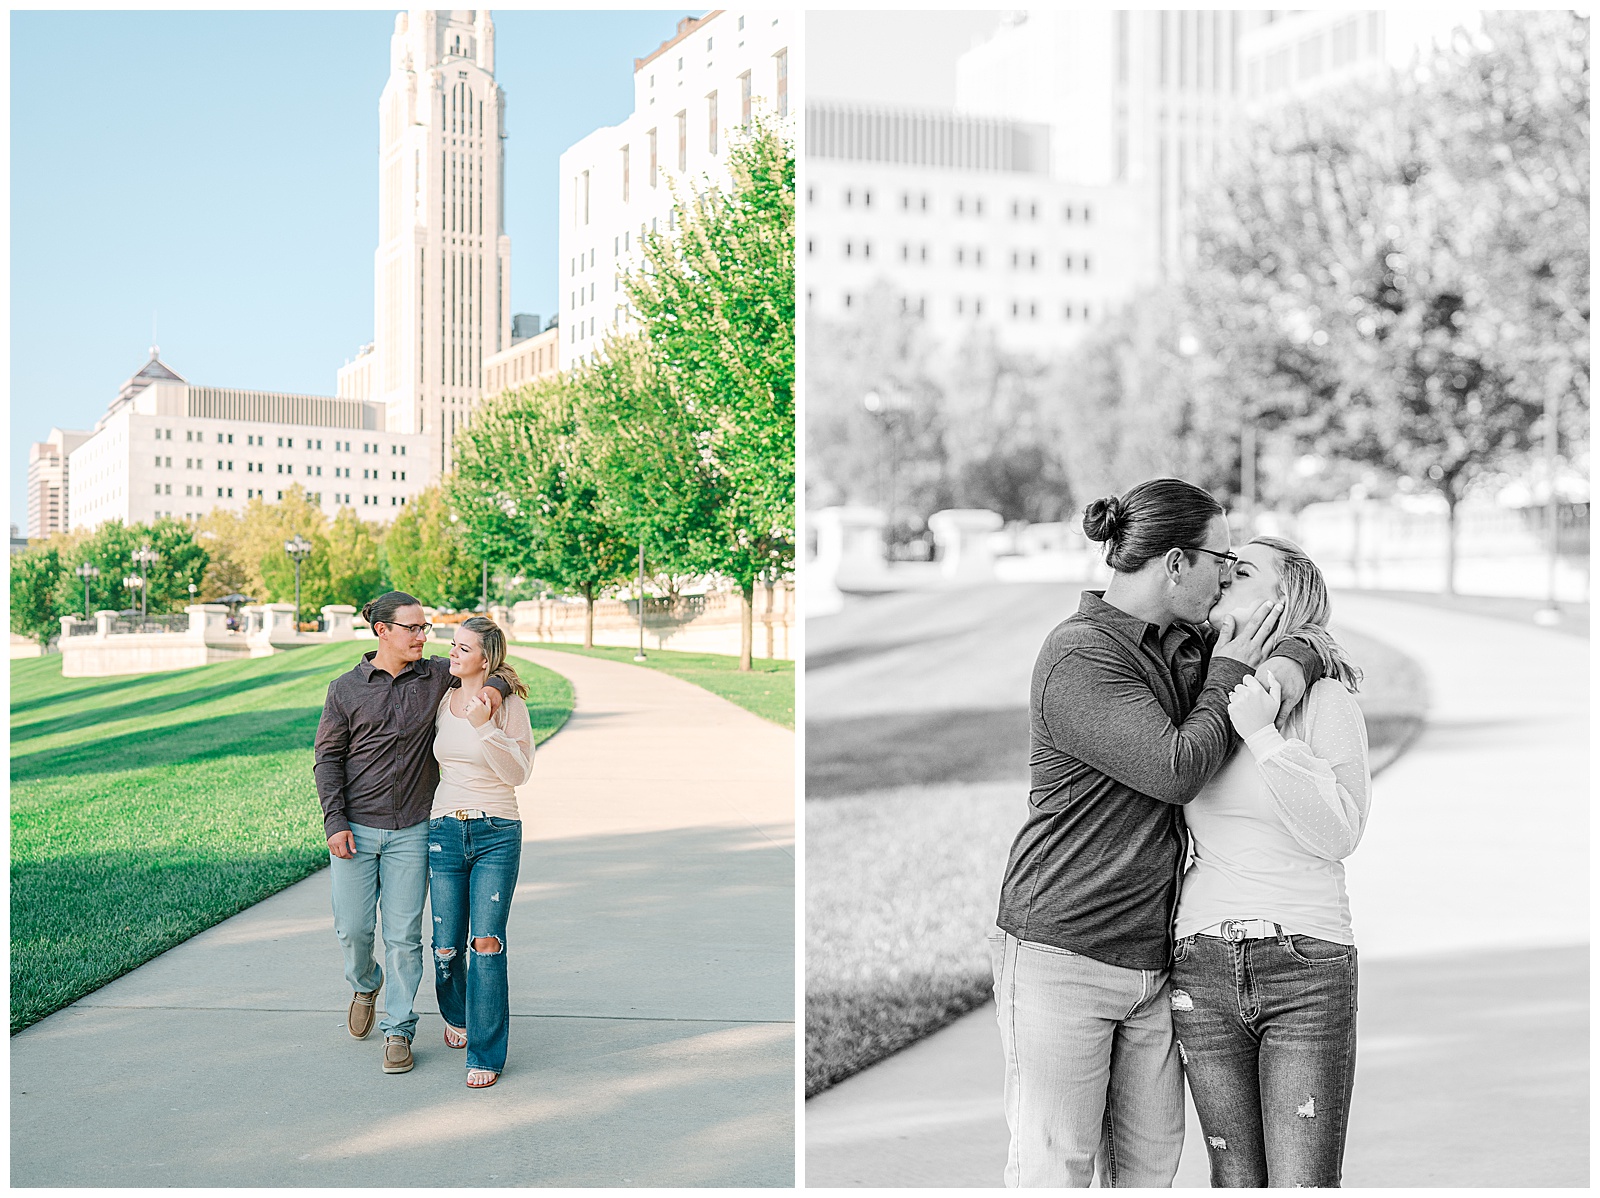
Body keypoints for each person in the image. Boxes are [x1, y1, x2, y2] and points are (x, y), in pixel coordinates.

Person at [990, 477, 1328, 1188]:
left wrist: (1295, 663)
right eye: (1221, 562)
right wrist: (1234, 669)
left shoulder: (1188, 641)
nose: (1227, 576)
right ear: (1176, 563)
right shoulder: (1080, 655)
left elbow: (1310, 635)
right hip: (1063, 949)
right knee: (1058, 1167)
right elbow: (1178, 769)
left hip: (1153, 961)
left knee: (1148, 1172)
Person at [1169, 535, 1370, 1187]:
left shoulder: (1325, 701)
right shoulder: (1197, 699)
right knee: (1234, 1182)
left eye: (1243, 570)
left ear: (1281, 598)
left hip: (1305, 965)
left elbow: (1339, 833)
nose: (1224, 576)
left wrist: (1262, 734)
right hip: (1202, 966)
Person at [313, 592, 509, 1075]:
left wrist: (497, 690)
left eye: (425, 628)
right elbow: (327, 760)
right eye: (414, 628)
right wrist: (334, 822)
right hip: (355, 829)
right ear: (383, 631)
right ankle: (365, 984)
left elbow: (495, 663)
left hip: (414, 829)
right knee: (353, 931)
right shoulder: (345, 690)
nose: (424, 636)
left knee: (403, 936)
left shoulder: (437, 675)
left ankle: (398, 1029)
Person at [427, 616, 535, 1089]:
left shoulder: (508, 706)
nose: (452, 653)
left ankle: (485, 1053)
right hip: (444, 831)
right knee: (446, 946)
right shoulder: (440, 699)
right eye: (452, 645)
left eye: (463, 648)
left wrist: (486, 725)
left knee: (486, 943)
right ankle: (458, 1012)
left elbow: (519, 773)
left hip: (496, 830)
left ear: (486, 659)